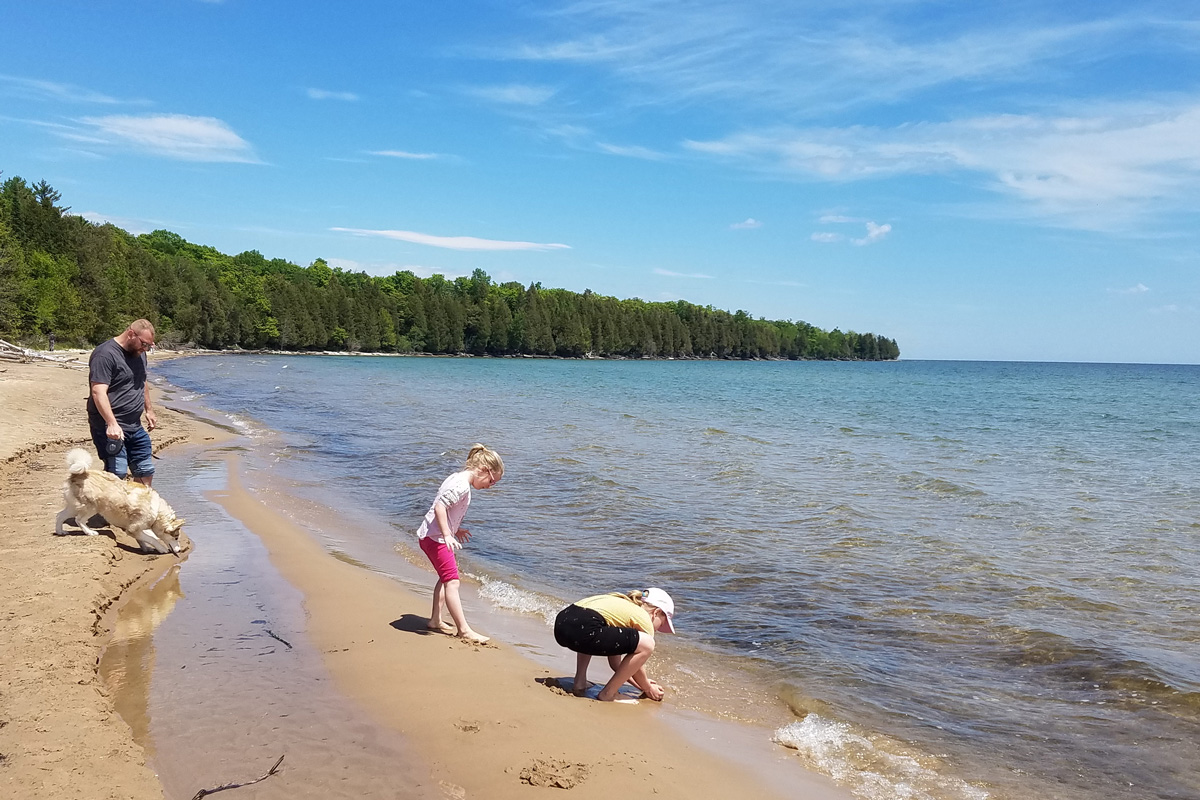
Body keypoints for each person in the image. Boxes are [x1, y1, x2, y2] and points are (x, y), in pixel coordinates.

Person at [416, 444, 504, 643]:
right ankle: (463, 629)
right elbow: (440, 506)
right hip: (436, 539)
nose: (491, 486)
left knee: (445, 577)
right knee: (453, 582)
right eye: (492, 481)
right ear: (483, 470)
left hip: (431, 536)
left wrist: (456, 530)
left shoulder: (457, 477)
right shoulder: (462, 485)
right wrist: (447, 534)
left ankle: (435, 620)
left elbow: (446, 509)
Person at [553, 588, 676, 702]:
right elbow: (638, 663)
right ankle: (608, 694)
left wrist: (640, 684)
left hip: (562, 625)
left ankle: (580, 682)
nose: (658, 630)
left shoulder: (621, 608)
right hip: (585, 628)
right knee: (648, 643)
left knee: (591, 627)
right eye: (661, 624)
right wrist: (648, 688)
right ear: (656, 612)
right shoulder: (643, 617)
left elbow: (616, 664)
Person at [87, 319, 157, 486]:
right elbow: (98, 391)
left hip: (134, 425)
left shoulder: (139, 354)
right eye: (144, 344)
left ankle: (138, 510)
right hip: (108, 425)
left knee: (145, 470)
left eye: (149, 346)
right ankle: (104, 511)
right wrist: (111, 423)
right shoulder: (105, 354)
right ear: (131, 334)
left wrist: (149, 409)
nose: (145, 349)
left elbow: (142, 381)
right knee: (116, 473)